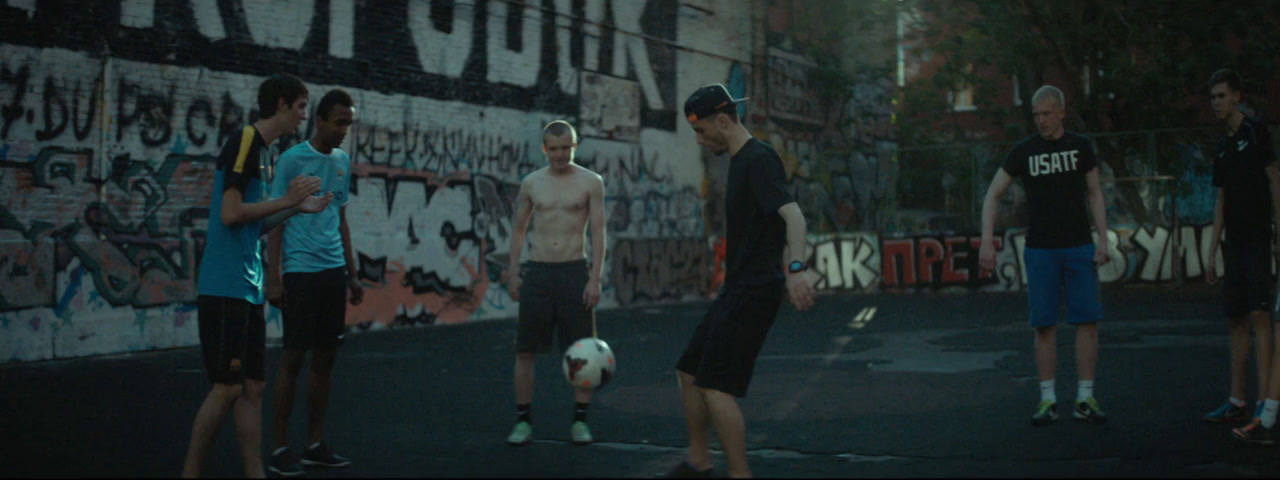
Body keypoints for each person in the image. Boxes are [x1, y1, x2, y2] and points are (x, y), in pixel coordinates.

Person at [181, 73, 332, 478]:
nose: (305, 116)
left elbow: (253, 223)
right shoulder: (245, 142)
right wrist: (287, 198)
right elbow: (230, 214)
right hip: (225, 285)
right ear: (282, 104)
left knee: (253, 388)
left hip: (248, 289)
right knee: (228, 387)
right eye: (301, 107)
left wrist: (297, 209)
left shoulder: (265, 154)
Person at [662, 84, 816, 479]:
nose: (699, 139)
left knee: (716, 384)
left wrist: (796, 271)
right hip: (739, 286)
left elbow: (794, 216)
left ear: (724, 121)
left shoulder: (758, 159)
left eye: (701, 131)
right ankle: (699, 462)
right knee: (690, 370)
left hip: (755, 290)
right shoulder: (741, 160)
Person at [977, 85, 1110, 427]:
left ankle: (1085, 396)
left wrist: (1103, 240)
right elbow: (992, 194)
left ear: (1062, 112)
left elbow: (1095, 194)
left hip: (1079, 245)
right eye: (1036, 115)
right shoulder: (1024, 151)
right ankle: (1047, 399)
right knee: (1044, 325)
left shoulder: (1080, 147)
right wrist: (987, 241)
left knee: (1086, 322)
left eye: (1047, 113)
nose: (1042, 120)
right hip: (1040, 250)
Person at [265, 88, 364, 475]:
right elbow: (274, 220)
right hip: (300, 273)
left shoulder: (341, 161)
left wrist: (352, 275)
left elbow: (340, 220)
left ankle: (314, 444)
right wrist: (274, 278)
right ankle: (278, 448)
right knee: (293, 359)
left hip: (331, 273)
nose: (343, 130)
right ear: (319, 120)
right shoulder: (292, 160)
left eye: (348, 124)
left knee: (325, 360)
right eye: (338, 122)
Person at [503, 120, 607, 446]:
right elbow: (519, 229)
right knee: (525, 352)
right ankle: (523, 423)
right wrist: (513, 271)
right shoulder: (531, 183)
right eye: (554, 148)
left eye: (567, 148)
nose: (560, 154)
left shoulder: (591, 182)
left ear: (574, 146)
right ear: (545, 148)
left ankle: (579, 423)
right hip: (538, 272)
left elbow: (599, 232)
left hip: (575, 271)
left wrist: (595, 279)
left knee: (582, 354)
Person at [1198, 69, 1280, 443]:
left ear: (1236, 97)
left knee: (1261, 316)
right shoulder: (1222, 147)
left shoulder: (1256, 132)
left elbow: (1275, 180)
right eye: (1212, 97)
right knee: (1235, 319)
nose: (1216, 103)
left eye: (1221, 96)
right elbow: (1220, 200)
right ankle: (1236, 400)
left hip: (1261, 240)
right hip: (1235, 245)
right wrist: (1212, 250)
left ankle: (1265, 404)